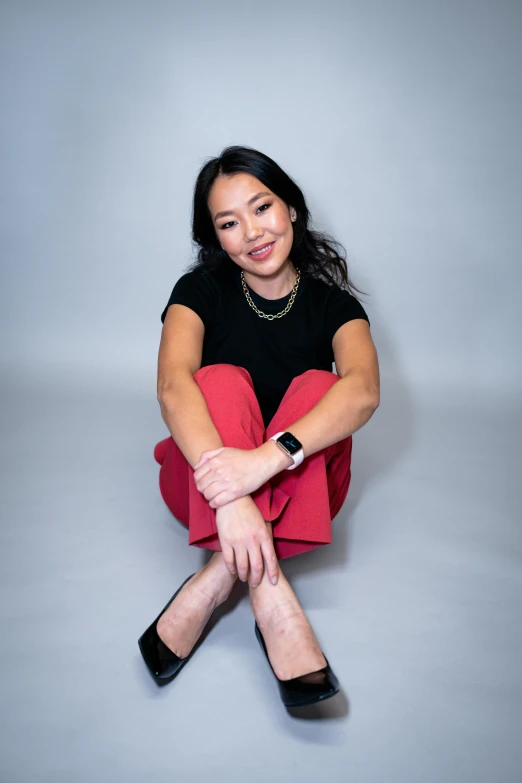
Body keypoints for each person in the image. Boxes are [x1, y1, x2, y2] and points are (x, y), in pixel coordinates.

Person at [138, 145, 380, 707]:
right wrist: (233, 494)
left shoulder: (335, 306)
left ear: (291, 207)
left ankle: (216, 578)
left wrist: (265, 462)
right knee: (216, 380)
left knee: (325, 388)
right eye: (229, 222)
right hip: (201, 485)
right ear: (215, 238)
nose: (252, 231)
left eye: (262, 207)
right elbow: (173, 385)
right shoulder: (198, 293)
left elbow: (364, 391)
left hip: (304, 488)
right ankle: (272, 600)